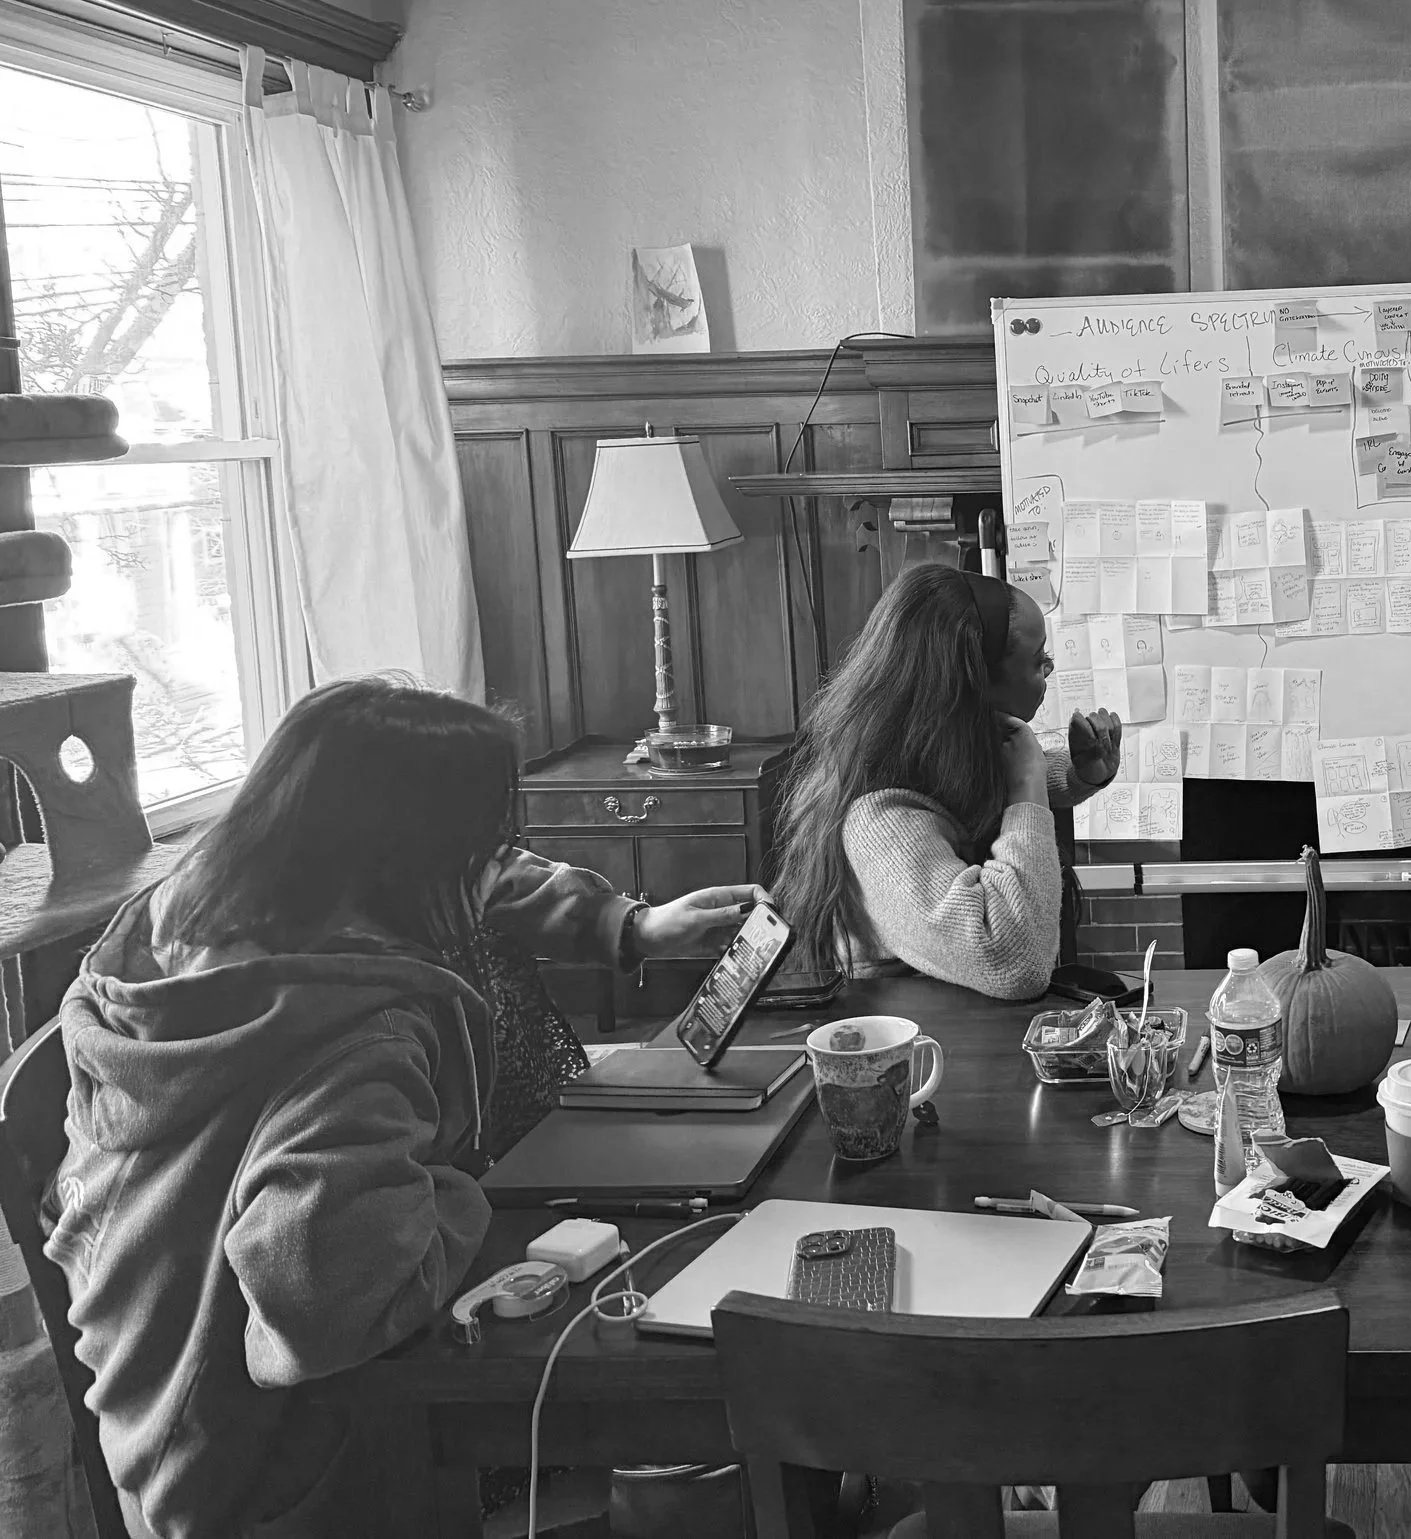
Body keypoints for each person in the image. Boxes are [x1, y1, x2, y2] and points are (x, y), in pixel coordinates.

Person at [45, 676, 754, 1539]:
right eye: (482, 847)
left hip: (154, 1429)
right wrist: (456, 1190)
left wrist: (628, 924)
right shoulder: (352, 1041)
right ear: (415, 861)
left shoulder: (184, 930)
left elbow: (499, 882)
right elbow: (325, 1306)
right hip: (283, 1479)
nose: (497, 863)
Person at [774, 564, 1123, 1000]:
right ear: (973, 680)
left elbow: (982, 786)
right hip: (921, 1042)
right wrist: (1028, 781)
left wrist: (1077, 773)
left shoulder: (925, 744)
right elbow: (1013, 961)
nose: (1049, 668)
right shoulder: (878, 823)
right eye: (1037, 660)